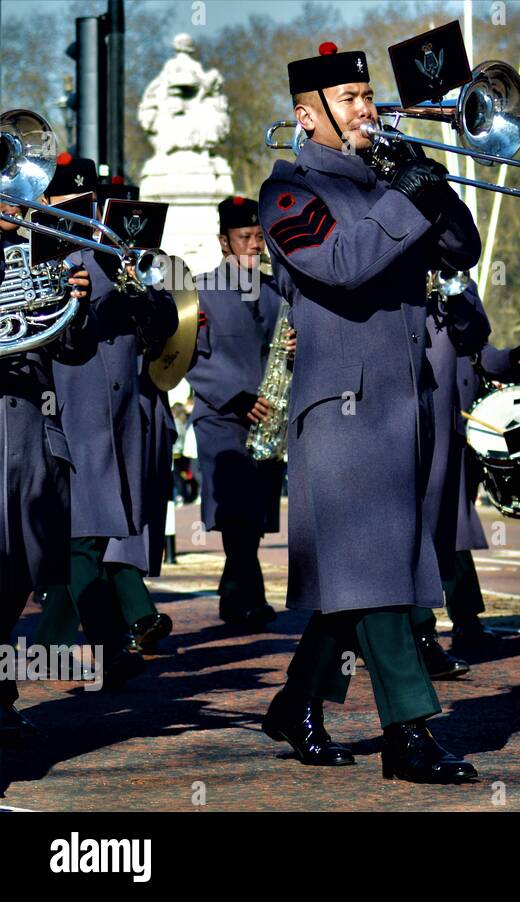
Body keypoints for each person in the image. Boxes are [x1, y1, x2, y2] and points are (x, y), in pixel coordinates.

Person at [257, 41, 480, 784]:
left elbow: (461, 251)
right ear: (306, 115)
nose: (366, 110)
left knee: (361, 573)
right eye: (349, 99)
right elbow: (342, 265)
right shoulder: (287, 193)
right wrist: (402, 197)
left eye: (365, 95)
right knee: (379, 567)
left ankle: (296, 703)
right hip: (342, 406)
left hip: (402, 401)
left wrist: (433, 185)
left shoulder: (383, 178)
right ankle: (409, 735)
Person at [36, 155, 179, 681]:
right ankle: (96, 643)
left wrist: (142, 298)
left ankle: (101, 644)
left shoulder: (118, 249)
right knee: (84, 535)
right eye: (68, 201)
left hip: (119, 414)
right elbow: (64, 340)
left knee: (97, 532)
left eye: (87, 200)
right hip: (71, 407)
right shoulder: (43, 254)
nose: (81, 209)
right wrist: (93, 306)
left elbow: (166, 320)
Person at [1, 194, 95, 744]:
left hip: (33, 434)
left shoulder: (35, 257)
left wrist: (75, 304)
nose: (20, 203)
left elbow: (72, 350)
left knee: (22, 573)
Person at [411, 276, 520, 673]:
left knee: (450, 527)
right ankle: (421, 634)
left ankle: (463, 620)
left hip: (459, 423)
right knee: (425, 529)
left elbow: (476, 349)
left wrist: (510, 360)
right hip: (418, 418)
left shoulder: (455, 279)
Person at [187, 195, 289, 630]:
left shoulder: (276, 291)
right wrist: (236, 397)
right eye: (244, 237)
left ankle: (235, 595)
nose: (254, 245)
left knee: (255, 514)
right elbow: (187, 358)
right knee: (236, 511)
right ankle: (248, 597)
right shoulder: (199, 292)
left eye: (259, 237)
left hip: (266, 417)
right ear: (224, 242)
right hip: (221, 416)